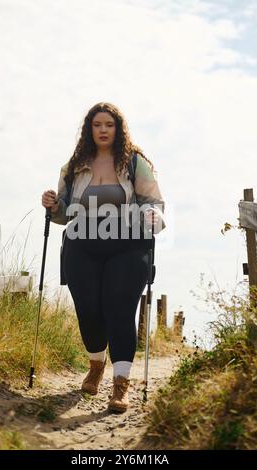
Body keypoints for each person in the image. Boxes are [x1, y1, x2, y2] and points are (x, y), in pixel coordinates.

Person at [42, 102, 166, 413]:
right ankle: (96, 365)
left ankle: (120, 385)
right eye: (97, 125)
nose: (103, 130)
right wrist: (51, 204)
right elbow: (62, 213)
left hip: (128, 244)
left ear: (118, 128)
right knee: (89, 310)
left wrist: (153, 216)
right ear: (89, 129)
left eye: (108, 125)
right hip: (82, 246)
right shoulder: (73, 166)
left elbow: (155, 203)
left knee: (119, 310)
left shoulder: (135, 163)